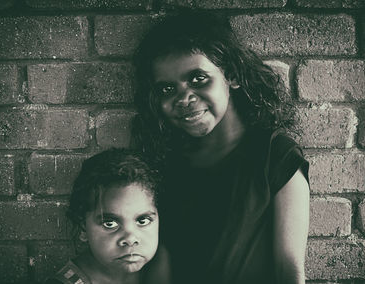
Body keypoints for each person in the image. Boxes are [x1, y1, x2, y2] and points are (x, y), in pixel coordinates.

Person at [133, 10, 310, 284]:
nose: (184, 98)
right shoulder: (167, 162)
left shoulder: (275, 154)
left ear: (232, 75)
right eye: (167, 89)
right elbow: (163, 261)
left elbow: (289, 269)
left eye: (198, 79)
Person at [45, 148, 171, 284]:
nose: (130, 239)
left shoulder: (164, 262)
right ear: (83, 228)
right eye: (110, 224)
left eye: (143, 221)